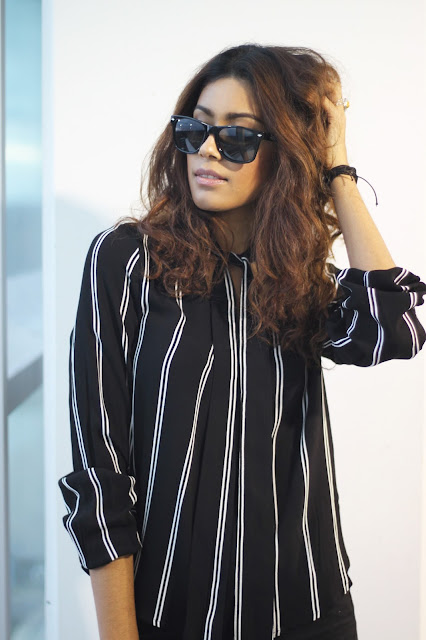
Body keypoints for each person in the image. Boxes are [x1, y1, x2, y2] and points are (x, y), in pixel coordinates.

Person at [58, 44, 426, 640]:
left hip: (307, 610)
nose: (206, 149)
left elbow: (392, 327)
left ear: (285, 155)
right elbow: (99, 473)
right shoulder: (127, 261)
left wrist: (337, 170)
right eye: (195, 128)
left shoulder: (299, 278)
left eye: (238, 137)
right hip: (172, 613)